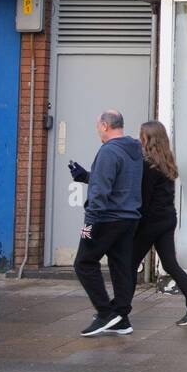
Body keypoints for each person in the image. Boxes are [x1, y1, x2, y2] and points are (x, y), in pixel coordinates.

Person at [68, 109, 144, 337]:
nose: (97, 131)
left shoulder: (108, 151)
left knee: (84, 263)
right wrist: (85, 176)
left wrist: (88, 225)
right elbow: (116, 182)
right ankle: (121, 318)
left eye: (97, 126)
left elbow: (101, 192)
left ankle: (105, 313)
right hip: (128, 219)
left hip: (105, 219)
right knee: (120, 267)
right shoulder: (134, 149)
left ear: (104, 125)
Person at [131, 121, 187, 326]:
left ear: (148, 139)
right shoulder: (166, 161)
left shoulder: (148, 164)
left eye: (142, 136)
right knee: (170, 264)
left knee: (129, 264)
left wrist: (134, 226)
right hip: (167, 219)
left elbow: (144, 202)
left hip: (151, 222)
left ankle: (118, 312)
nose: (139, 139)